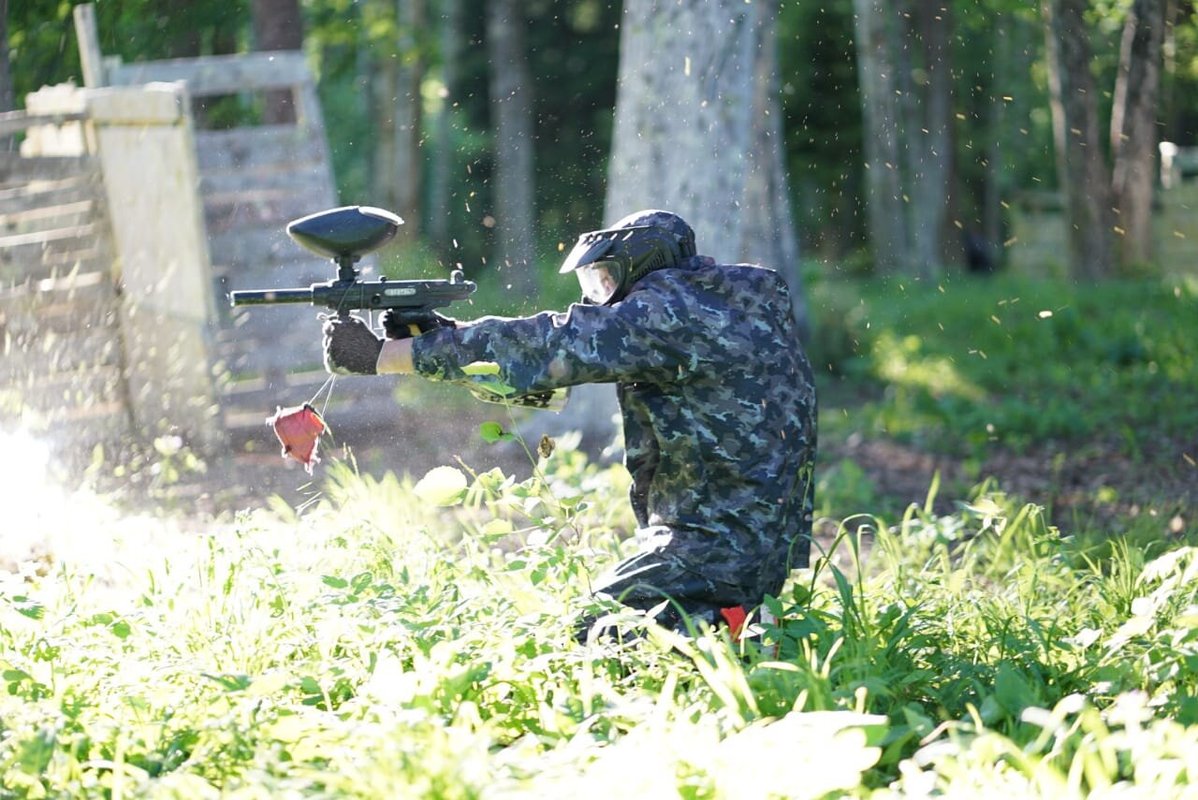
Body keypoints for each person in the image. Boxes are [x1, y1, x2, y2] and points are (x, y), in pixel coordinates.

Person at [322, 209, 817, 637]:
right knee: (646, 621)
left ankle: (722, 647)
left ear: (642, 266)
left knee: (598, 628)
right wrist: (436, 343)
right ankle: (737, 631)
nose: (601, 295)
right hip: (759, 538)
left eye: (605, 280)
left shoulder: (671, 311)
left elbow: (553, 345)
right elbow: (550, 374)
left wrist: (384, 356)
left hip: (714, 542)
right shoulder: (728, 306)